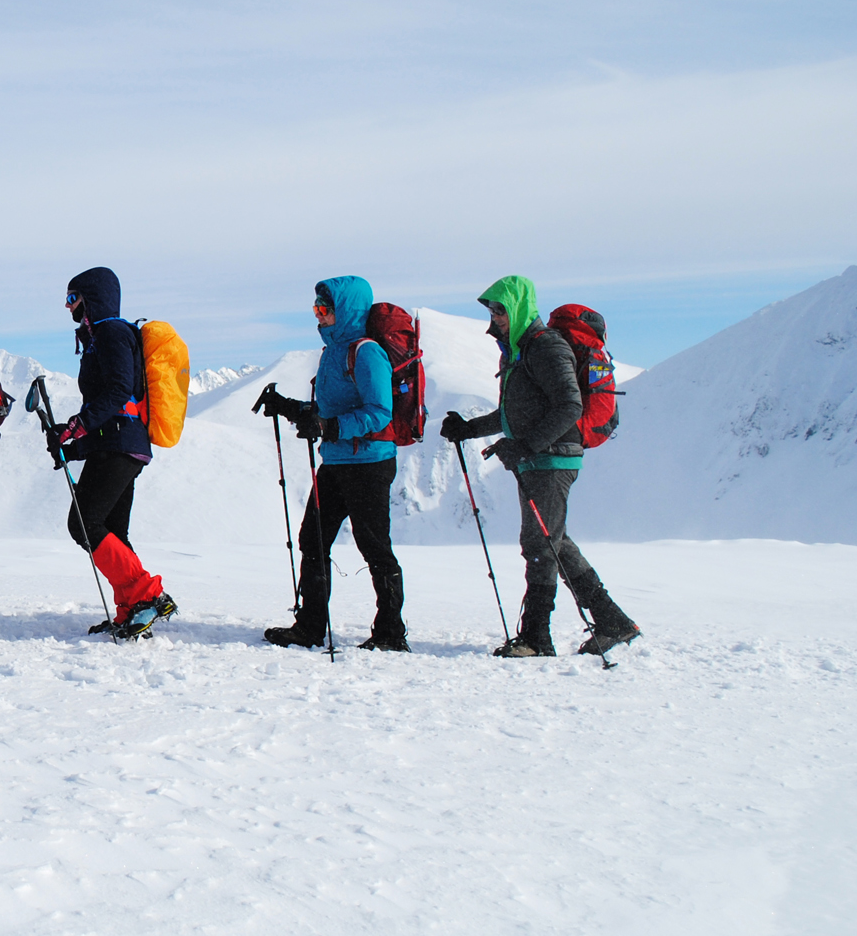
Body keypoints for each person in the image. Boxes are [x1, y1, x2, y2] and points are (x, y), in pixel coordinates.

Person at [439, 276, 641, 658]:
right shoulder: (517, 351)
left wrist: (526, 445)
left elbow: (570, 406)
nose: (495, 316)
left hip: (552, 457)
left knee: (539, 544)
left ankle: (536, 638)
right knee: (553, 540)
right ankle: (612, 620)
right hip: (536, 458)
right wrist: (468, 429)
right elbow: (514, 413)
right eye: (491, 310)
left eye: (500, 309)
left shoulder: (546, 347)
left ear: (517, 308)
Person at [254, 277, 408, 651]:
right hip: (337, 461)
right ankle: (309, 627)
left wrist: (329, 426)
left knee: (373, 546)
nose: (319, 316)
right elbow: (327, 411)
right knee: (313, 539)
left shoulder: (367, 352)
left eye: (325, 309)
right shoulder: (332, 353)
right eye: (316, 309)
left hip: (369, 463)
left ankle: (390, 633)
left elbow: (379, 413)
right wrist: (291, 408)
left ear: (347, 311)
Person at [47, 266, 176, 639]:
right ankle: (132, 611)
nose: (69, 307)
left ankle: (148, 596)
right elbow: (111, 409)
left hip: (120, 446)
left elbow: (119, 393)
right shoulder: (99, 337)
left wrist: (77, 425)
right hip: (118, 444)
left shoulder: (113, 333)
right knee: (113, 531)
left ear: (91, 298)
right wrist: (72, 446)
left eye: (73, 299)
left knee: (84, 524)